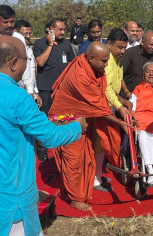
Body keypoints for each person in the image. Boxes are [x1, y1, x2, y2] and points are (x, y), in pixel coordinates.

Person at [0, 35, 86, 236]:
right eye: (26, 60)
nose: (27, 65)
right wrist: (76, 127)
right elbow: (49, 137)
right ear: (14, 63)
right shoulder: (17, 95)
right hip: (6, 184)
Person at [49, 41, 129, 211]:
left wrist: (121, 103)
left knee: (87, 157)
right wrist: (118, 122)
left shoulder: (91, 67)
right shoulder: (79, 76)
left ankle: (83, 190)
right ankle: (75, 198)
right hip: (67, 122)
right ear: (91, 58)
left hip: (84, 119)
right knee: (74, 161)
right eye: (104, 61)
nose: (106, 65)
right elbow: (98, 107)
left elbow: (100, 99)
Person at [94, 27, 130, 192]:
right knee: (99, 143)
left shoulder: (115, 60)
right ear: (109, 44)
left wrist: (122, 101)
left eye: (124, 48)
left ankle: (99, 174)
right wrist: (119, 107)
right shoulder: (106, 61)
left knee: (104, 144)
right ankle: (95, 179)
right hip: (102, 108)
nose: (122, 51)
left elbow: (114, 89)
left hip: (110, 106)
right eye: (119, 47)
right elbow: (106, 89)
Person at [33, 18, 75, 160]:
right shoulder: (39, 43)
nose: (63, 32)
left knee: (63, 118)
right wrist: (50, 45)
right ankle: (43, 147)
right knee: (45, 119)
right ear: (51, 29)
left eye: (64, 29)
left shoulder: (67, 44)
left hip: (63, 89)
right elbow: (40, 62)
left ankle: (62, 145)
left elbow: (71, 64)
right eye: (60, 30)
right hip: (45, 88)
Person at [121, 30, 153, 99]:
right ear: (142, 43)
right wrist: (126, 91)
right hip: (129, 96)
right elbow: (119, 76)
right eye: (151, 44)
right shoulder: (130, 53)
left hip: (147, 98)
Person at [15, 20, 42, 107]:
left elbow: (31, 73)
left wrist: (35, 92)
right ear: (16, 32)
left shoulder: (29, 49)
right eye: (25, 34)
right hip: (17, 94)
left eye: (30, 34)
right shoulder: (11, 51)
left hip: (29, 93)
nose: (28, 36)